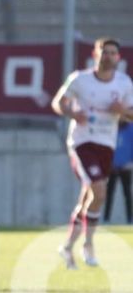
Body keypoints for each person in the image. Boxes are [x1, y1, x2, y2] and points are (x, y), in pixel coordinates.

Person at [52, 37, 133, 269]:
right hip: (82, 142)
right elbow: (58, 102)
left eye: (113, 53)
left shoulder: (124, 83)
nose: (108, 56)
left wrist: (124, 111)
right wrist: (72, 113)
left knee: (89, 197)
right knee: (99, 191)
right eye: (104, 52)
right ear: (96, 54)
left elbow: (132, 113)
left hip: (106, 144)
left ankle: (67, 247)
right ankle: (88, 244)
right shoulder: (80, 79)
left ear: (118, 57)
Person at [105, 121, 133, 224]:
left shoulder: (131, 128)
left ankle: (130, 220)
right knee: (109, 193)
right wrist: (109, 163)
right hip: (112, 168)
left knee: (127, 194)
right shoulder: (111, 127)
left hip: (126, 167)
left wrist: (129, 163)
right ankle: (106, 219)